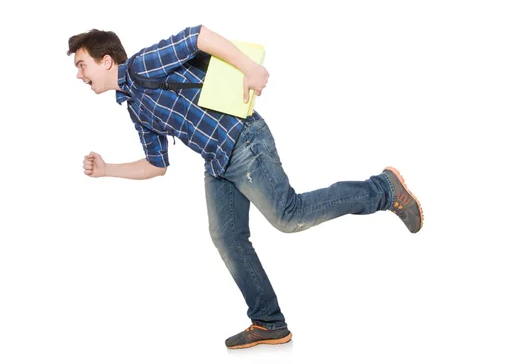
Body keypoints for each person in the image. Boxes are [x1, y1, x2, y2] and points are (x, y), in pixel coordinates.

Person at [67, 25, 424, 349]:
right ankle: (269, 322)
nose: (80, 74)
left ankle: (384, 189)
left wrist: (250, 68)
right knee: (226, 235)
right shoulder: (135, 107)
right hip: (218, 160)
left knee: (289, 215)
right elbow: (157, 165)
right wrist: (107, 169)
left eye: (82, 64)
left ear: (107, 60)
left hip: (243, 139)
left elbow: (196, 36)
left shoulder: (144, 64)